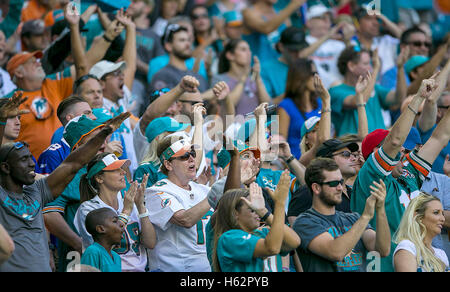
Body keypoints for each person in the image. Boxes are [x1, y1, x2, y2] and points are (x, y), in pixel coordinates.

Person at [0, 91, 130, 272]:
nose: (32, 163)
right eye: (24, 160)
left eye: (31, 157)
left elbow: (73, 164)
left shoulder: (38, 190)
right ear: (5, 168)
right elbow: (72, 165)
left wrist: (103, 134)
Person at [351, 75, 450, 272]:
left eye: (404, 149)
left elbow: (441, 137)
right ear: (375, 153)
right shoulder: (371, 176)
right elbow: (395, 140)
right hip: (383, 267)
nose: (402, 151)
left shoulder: (408, 174)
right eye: (396, 151)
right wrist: (418, 98)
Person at [293, 157, 391, 272]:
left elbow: (382, 250)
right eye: (334, 183)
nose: (340, 188)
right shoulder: (304, 222)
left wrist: (380, 209)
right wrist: (365, 217)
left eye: (341, 182)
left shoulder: (353, 218)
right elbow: (336, 253)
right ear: (316, 188)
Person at [74, 153, 156, 272]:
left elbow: (150, 243)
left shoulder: (129, 201)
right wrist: (126, 211)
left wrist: (140, 206)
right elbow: (103, 245)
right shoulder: (89, 209)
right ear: (99, 178)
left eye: (122, 168)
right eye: (115, 169)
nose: (123, 172)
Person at [145, 136, 213, 272]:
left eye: (192, 153)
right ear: (168, 165)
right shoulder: (156, 191)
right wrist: (215, 195)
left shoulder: (203, 190)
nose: (192, 158)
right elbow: (185, 220)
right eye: (184, 156)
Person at [211, 173, 300, 272]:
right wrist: (279, 204)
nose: (258, 214)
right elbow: (272, 248)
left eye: (258, 209)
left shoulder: (264, 233)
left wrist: (264, 212)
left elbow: (295, 241)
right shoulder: (229, 238)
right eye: (252, 209)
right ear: (235, 213)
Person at [330, 46, 407, 137]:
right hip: (353, 148)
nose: (370, 67)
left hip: (378, 146)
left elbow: (398, 98)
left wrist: (400, 68)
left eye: (371, 64)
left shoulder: (375, 87)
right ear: (351, 66)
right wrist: (376, 69)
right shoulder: (335, 91)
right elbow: (359, 101)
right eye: (366, 63)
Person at [37, 96, 96, 175]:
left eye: (92, 113)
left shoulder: (97, 148)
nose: (94, 117)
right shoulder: (52, 155)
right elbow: (48, 186)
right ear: (70, 118)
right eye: (87, 113)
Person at [277, 58, 323, 159]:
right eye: (313, 73)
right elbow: (280, 144)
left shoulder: (320, 103)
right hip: (297, 164)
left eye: (317, 72)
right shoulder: (285, 106)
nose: (316, 76)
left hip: (319, 161)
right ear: (301, 76)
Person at [213, 39, 270, 117]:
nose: (249, 53)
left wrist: (258, 78)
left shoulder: (253, 79)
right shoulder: (219, 79)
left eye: (249, 50)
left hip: (256, 127)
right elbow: (228, 106)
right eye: (243, 49)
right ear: (230, 55)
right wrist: (243, 78)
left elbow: (267, 104)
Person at [393, 193, 449, 272]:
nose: (443, 219)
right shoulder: (407, 247)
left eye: (442, 214)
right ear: (417, 217)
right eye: (436, 212)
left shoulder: (441, 254)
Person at [150, 24, 208, 93]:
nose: (188, 44)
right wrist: (206, 96)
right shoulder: (162, 76)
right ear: (168, 46)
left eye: (188, 40)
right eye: (182, 40)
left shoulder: (198, 77)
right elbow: (164, 103)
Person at [79, 208, 123, 272]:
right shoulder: (92, 252)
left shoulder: (116, 257)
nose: (122, 224)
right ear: (101, 229)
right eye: (115, 221)